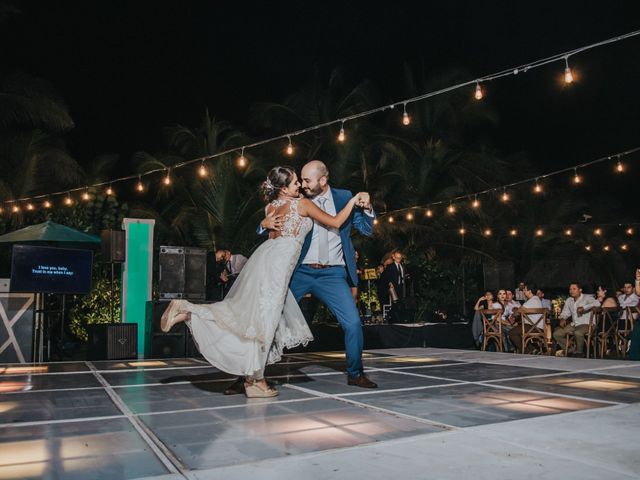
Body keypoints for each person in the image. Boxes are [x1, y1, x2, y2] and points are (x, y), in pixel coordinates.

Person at [161, 166, 369, 397]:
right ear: (283, 187)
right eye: (296, 182)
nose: (301, 185)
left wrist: (362, 204)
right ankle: (249, 378)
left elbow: (359, 227)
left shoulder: (276, 205)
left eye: (305, 181)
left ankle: (354, 373)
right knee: (264, 320)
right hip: (291, 270)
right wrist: (264, 224)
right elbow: (335, 222)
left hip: (285, 265)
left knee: (249, 314)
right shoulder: (301, 203)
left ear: (323, 179)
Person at [553, 283, 601, 357]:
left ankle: (579, 352)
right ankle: (571, 349)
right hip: (575, 324)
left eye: (574, 289)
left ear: (580, 290)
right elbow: (565, 313)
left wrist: (584, 308)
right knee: (557, 334)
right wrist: (563, 318)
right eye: (570, 289)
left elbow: (597, 303)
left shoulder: (587, 297)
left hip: (587, 324)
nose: (571, 291)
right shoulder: (569, 300)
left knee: (577, 332)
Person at [509, 285, 543, 353]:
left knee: (512, 332)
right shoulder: (535, 299)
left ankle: (526, 351)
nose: (523, 292)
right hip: (536, 327)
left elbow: (519, 311)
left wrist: (512, 316)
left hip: (534, 327)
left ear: (529, 291)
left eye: (525, 290)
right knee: (519, 331)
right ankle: (532, 350)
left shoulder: (532, 300)